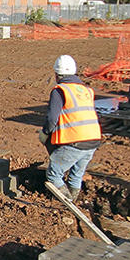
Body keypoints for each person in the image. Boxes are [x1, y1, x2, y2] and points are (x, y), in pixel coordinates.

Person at [43, 55, 102, 202]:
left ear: (57, 75)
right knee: (76, 175)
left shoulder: (60, 90)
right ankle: (73, 201)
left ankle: (68, 203)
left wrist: (45, 133)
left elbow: (52, 119)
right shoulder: (86, 90)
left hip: (75, 142)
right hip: (93, 140)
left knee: (53, 174)